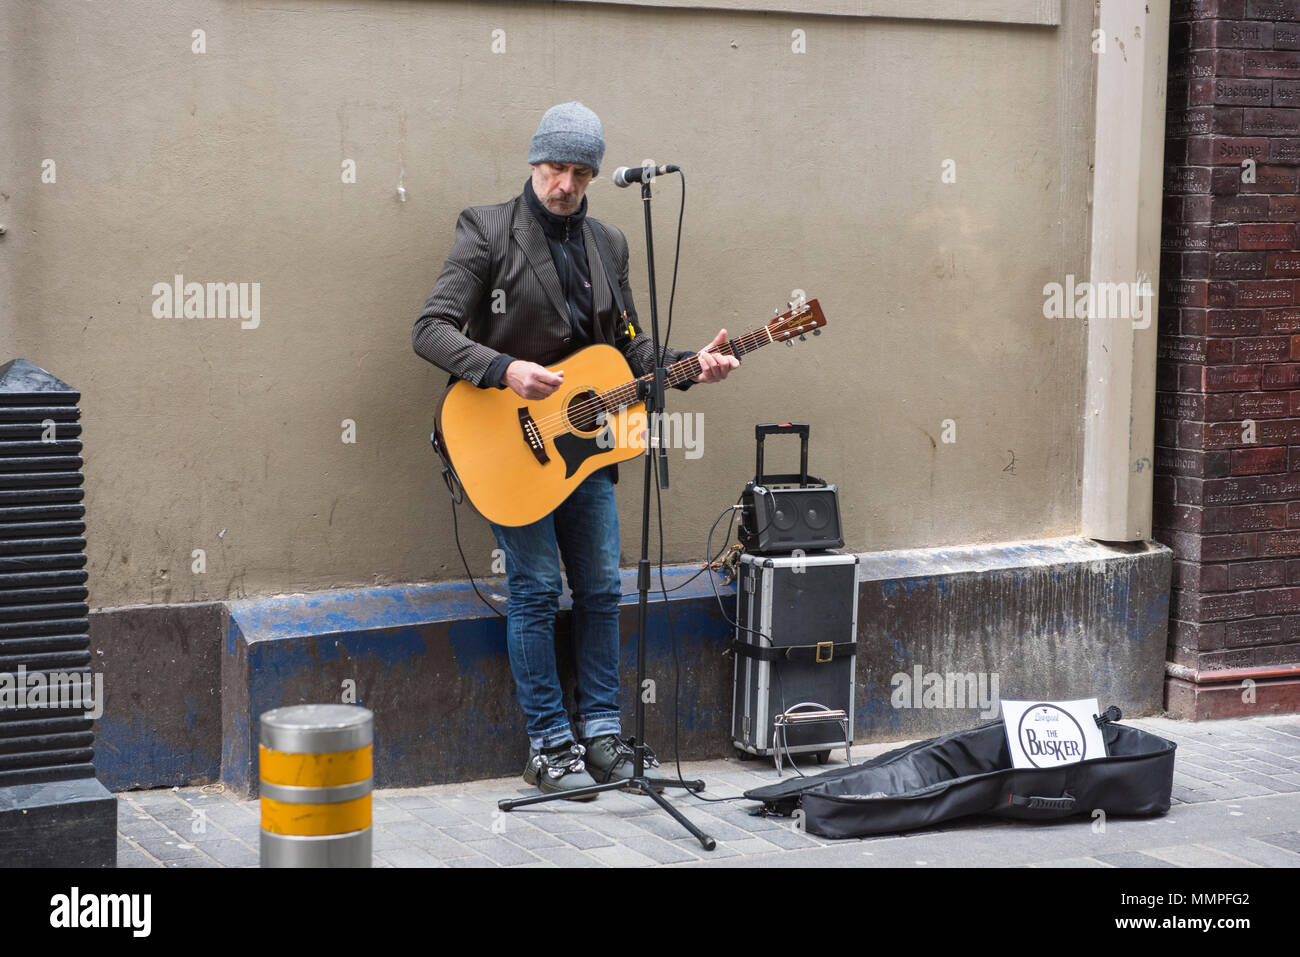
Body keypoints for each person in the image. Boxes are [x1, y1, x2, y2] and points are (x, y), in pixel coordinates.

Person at [413, 102, 738, 798]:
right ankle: (549, 746)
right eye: (556, 168)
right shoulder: (487, 231)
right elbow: (430, 328)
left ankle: (601, 735)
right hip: (506, 440)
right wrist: (505, 371)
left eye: (581, 173)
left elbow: (628, 352)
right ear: (534, 162)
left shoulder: (609, 244)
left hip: (584, 448)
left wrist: (691, 363)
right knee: (533, 589)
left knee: (599, 588)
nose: (566, 184)